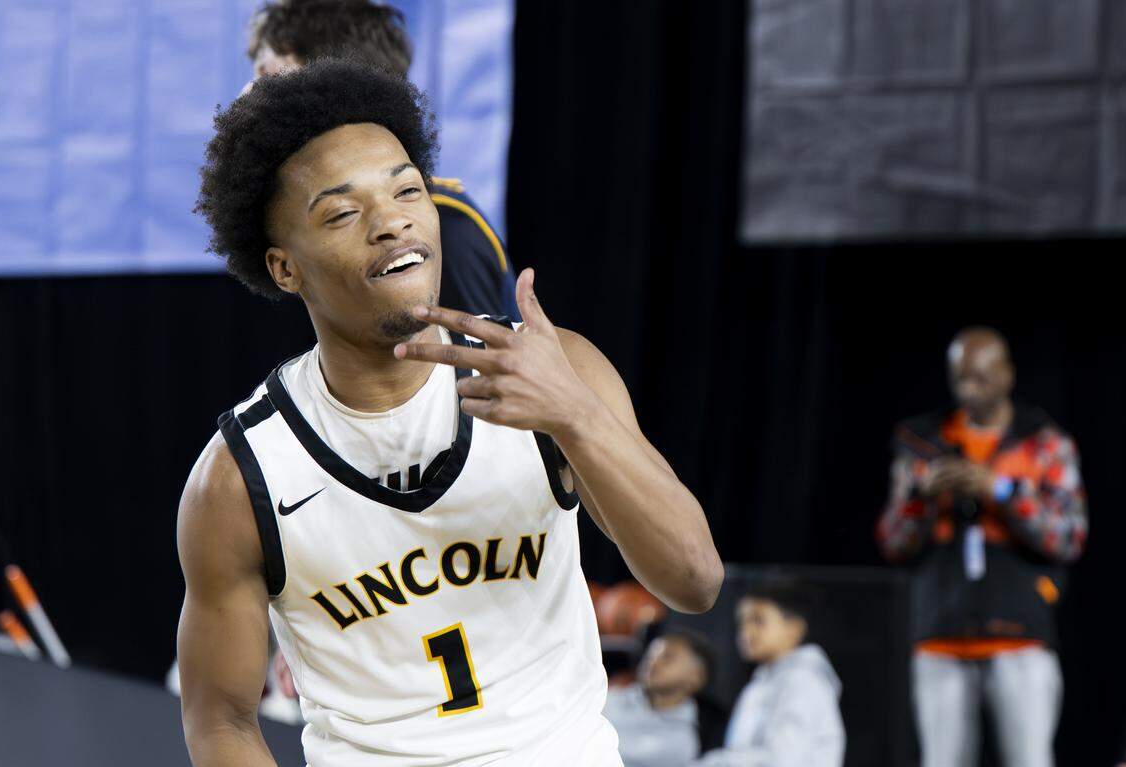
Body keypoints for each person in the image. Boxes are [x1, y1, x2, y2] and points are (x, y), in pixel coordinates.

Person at [177, 60, 723, 766]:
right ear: (285, 268)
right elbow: (221, 720)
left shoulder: (556, 370)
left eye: (408, 190)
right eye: (343, 213)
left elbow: (695, 581)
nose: (391, 221)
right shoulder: (238, 477)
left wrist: (575, 416)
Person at [876, 327, 1088, 767]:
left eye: (981, 377)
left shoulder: (1045, 442)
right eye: (961, 378)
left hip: (1020, 633)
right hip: (940, 632)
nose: (970, 389)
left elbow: (1069, 537)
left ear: (1007, 374)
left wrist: (1002, 491)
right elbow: (894, 544)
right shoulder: (923, 443)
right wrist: (922, 498)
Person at [246, 0, 519, 320]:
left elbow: (474, 350)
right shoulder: (315, 236)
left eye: (269, 76)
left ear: (338, 89)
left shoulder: (444, 233)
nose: (248, 93)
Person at [694, 581, 845, 767]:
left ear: (794, 628)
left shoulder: (804, 681)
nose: (746, 631)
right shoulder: (764, 681)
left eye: (758, 620)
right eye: (742, 621)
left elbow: (783, 760)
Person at [603, 627, 715, 767]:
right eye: (650, 656)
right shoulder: (610, 697)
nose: (653, 662)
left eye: (667, 658)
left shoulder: (680, 742)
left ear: (695, 678)